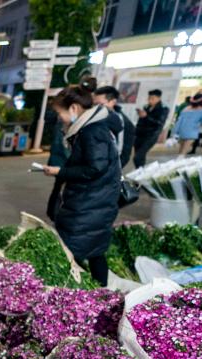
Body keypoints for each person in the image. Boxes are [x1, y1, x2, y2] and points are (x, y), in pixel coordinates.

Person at [41, 84, 120, 287]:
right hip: (96, 201)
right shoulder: (92, 128)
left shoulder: (91, 131)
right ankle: (101, 294)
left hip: (90, 203)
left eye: (60, 113)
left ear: (74, 108)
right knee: (95, 251)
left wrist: (61, 172)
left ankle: (74, 298)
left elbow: (95, 168)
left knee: (70, 253)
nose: (60, 118)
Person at [92, 86, 136, 168]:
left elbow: (121, 151)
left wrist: (112, 169)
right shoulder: (99, 115)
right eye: (94, 104)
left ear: (113, 102)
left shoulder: (122, 122)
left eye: (100, 104)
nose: (95, 107)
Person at [133, 89, 169, 168]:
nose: (150, 100)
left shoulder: (163, 109)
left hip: (151, 135)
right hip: (140, 134)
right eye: (149, 98)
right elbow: (142, 120)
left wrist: (146, 116)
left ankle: (140, 171)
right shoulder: (146, 107)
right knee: (140, 157)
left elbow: (159, 123)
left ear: (159, 98)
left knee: (138, 157)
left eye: (152, 98)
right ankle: (139, 172)